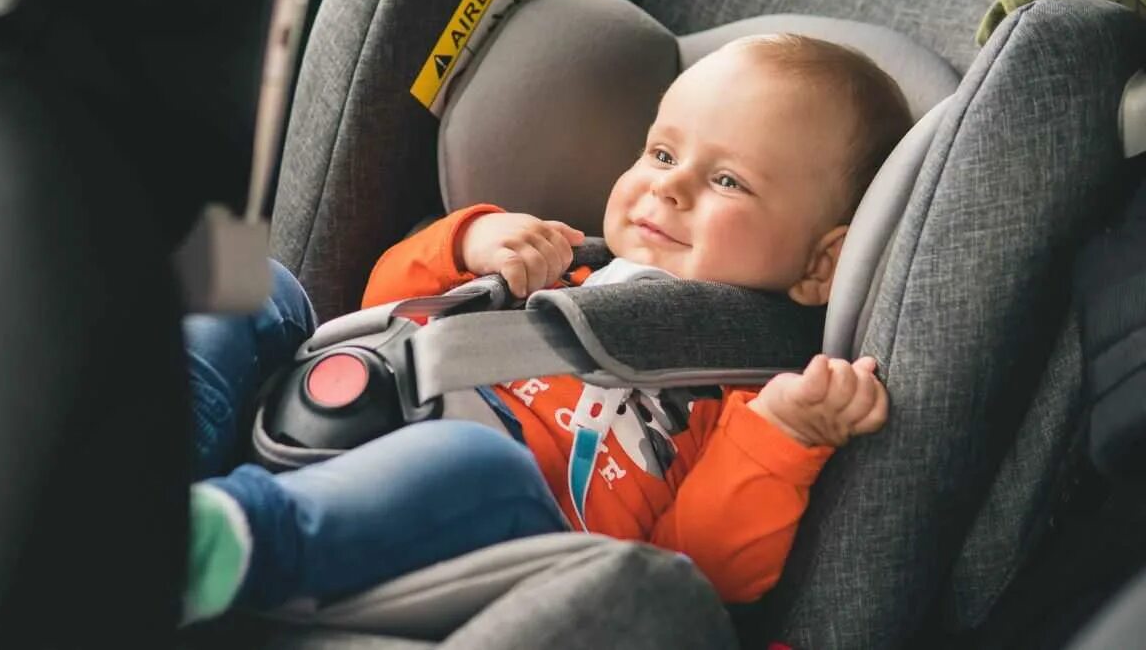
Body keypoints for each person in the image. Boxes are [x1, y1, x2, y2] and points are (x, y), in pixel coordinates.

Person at [181, 33, 912, 623]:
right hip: (334, 416)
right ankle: (148, 464)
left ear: (820, 266)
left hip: (490, 530)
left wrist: (785, 437)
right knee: (254, 281)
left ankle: (209, 547)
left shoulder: (746, 399)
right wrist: (464, 243)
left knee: (477, 463)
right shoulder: (563, 268)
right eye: (661, 153)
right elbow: (379, 313)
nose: (669, 186)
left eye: (727, 181)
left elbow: (705, 567)